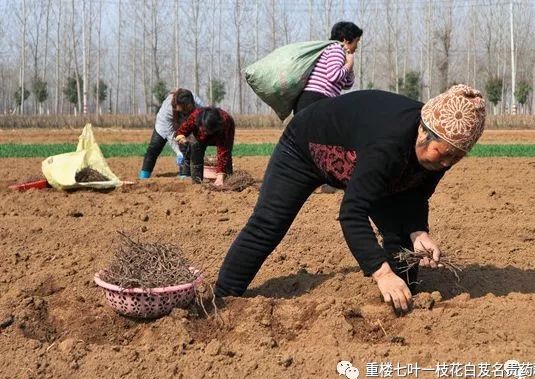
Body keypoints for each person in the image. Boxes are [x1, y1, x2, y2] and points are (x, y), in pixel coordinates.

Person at [214, 85, 486, 314]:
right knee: (268, 224)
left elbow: (415, 191)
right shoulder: (388, 145)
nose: (447, 162)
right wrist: (381, 273)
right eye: (444, 153)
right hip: (305, 148)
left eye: (456, 156)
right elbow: (352, 213)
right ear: (423, 132)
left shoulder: (442, 151)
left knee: (402, 238)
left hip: (360, 158)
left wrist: (418, 230)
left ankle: (401, 299)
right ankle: (222, 297)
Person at [292, 21, 363, 114]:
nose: (357, 47)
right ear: (346, 40)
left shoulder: (341, 54)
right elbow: (333, 76)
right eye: (356, 41)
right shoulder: (336, 49)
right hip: (315, 99)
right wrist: (348, 65)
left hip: (316, 101)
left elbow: (347, 85)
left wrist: (349, 66)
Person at [139, 88, 203, 179]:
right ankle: (144, 175)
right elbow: (170, 133)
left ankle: (184, 175)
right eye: (183, 110)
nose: (186, 112)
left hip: (185, 124)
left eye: (188, 109)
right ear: (177, 105)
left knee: (186, 146)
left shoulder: (198, 104)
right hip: (164, 126)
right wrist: (178, 152)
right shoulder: (168, 108)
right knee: (154, 147)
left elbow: (202, 120)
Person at [174, 107, 235, 187]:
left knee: (226, 154)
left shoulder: (225, 123)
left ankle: (227, 180)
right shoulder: (194, 117)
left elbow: (223, 151)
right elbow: (181, 131)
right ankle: (197, 182)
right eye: (204, 130)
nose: (206, 132)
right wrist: (182, 138)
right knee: (195, 147)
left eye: (208, 131)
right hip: (199, 137)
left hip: (223, 132)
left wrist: (220, 175)